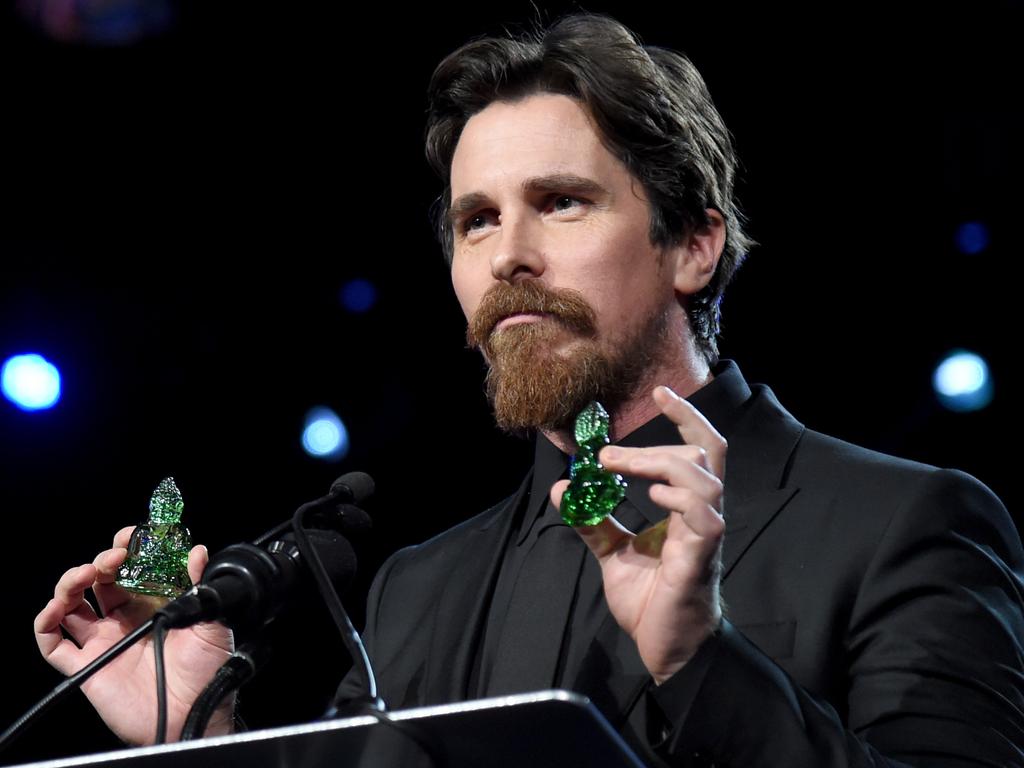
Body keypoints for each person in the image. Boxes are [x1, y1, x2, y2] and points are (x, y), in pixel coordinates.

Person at [35, 13, 1024, 766]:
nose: (508, 254)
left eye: (560, 203)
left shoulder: (904, 523)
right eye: (474, 221)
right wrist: (200, 730)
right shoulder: (417, 591)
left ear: (692, 243)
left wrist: (698, 659)